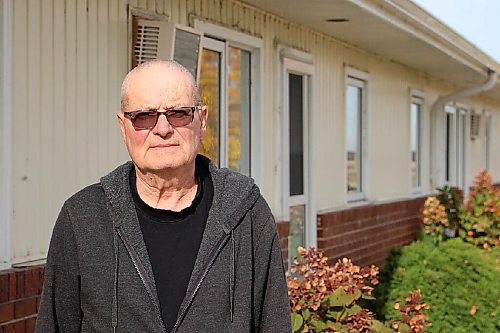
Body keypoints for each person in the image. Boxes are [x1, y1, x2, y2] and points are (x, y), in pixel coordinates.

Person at [35, 60, 291, 332]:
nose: (163, 129)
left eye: (179, 113)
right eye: (143, 116)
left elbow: (275, 323)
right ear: (123, 127)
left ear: (201, 121)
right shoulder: (82, 218)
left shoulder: (247, 213)